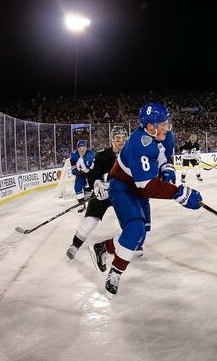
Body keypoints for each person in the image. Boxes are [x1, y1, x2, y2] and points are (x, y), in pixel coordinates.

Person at [88, 102, 203, 297]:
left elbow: (164, 157)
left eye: (167, 122)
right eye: (163, 123)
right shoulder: (138, 143)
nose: (167, 127)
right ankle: (115, 273)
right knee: (135, 229)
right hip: (123, 187)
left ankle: (103, 247)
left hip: (138, 186)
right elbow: (147, 187)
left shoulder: (165, 136)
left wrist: (167, 168)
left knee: (141, 235)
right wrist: (179, 193)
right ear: (151, 127)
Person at [65, 126, 128, 260]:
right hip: (102, 194)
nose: (121, 141)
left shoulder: (131, 156)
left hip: (121, 194)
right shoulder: (102, 155)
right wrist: (97, 184)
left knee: (130, 219)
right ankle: (75, 245)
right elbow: (93, 174)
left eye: (123, 138)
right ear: (112, 140)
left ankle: (131, 241)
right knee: (89, 222)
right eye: (118, 138)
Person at [69, 140, 95, 211]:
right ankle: (82, 204)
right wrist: (75, 170)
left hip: (90, 175)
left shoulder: (91, 154)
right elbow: (73, 164)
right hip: (80, 174)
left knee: (91, 190)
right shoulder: (73, 155)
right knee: (77, 187)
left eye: (84, 148)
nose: (82, 150)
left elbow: (95, 167)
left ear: (86, 148)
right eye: (80, 148)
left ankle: (92, 202)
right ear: (77, 149)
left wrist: (91, 172)